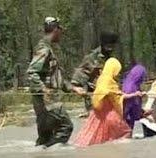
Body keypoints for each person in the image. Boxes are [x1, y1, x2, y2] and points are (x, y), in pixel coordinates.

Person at [27, 17, 85, 148]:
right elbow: (32, 71)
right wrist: (44, 90)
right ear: (55, 30)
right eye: (60, 30)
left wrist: (73, 88)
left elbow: (55, 77)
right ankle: (50, 151)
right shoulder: (44, 49)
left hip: (44, 101)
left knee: (44, 137)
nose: (61, 33)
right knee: (66, 127)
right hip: (48, 101)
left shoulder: (47, 48)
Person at [73, 58, 142, 148]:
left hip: (97, 114)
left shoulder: (101, 79)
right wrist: (135, 94)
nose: (118, 73)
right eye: (117, 70)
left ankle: (108, 150)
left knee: (96, 138)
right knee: (126, 133)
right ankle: (118, 153)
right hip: (110, 114)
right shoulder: (109, 81)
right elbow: (119, 97)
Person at [71, 32, 119, 117]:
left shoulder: (112, 58)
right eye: (108, 46)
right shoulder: (92, 58)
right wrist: (77, 88)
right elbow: (78, 77)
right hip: (95, 99)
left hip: (109, 99)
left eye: (112, 46)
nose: (110, 49)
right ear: (103, 44)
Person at [122, 63, 147, 130]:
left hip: (134, 115)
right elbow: (126, 98)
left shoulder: (133, 84)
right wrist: (136, 95)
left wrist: (141, 94)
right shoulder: (130, 85)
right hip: (129, 115)